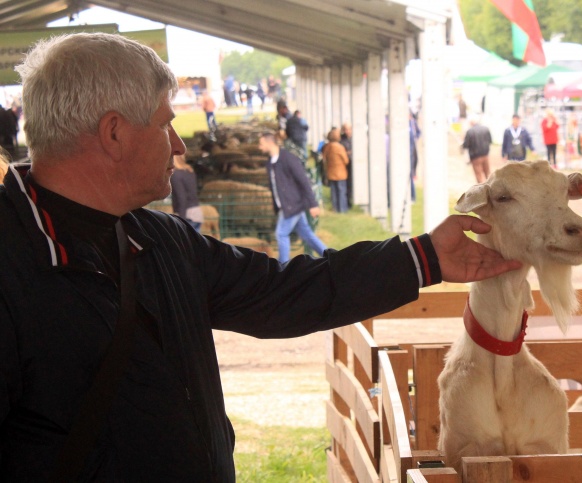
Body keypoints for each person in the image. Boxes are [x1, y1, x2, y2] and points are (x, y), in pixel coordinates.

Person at [0, 32, 521, 482]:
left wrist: (423, 258)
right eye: (164, 125)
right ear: (114, 133)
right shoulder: (12, 264)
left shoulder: (159, 239)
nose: (179, 146)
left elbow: (281, 292)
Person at [258, 131, 327, 263]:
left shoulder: (288, 159)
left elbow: (303, 181)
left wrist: (313, 204)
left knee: (281, 234)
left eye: (261, 143)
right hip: (287, 204)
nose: (259, 147)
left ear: (269, 142)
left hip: (292, 204)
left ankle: (283, 267)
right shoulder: (270, 163)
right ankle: (330, 256)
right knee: (307, 234)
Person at [170, 154, 204, 232]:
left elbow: (181, 197)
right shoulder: (190, 171)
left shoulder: (175, 174)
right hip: (196, 213)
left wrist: (181, 221)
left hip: (187, 215)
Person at [322, 127, 350, 213]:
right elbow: (346, 160)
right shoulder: (340, 147)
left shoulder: (327, 147)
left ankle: (335, 208)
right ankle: (342, 209)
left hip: (331, 172)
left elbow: (324, 159)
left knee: (334, 192)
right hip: (340, 173)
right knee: (341, 191)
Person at [462, 114, 492, 183]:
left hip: (475, 157)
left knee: (479, 176)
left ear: (471, 122)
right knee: (487, 173)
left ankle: (482, 191)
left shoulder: (469, 131)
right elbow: (490, 140)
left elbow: (466, 145)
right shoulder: (486, 129)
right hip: (485, 155)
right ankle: (491, 188)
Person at [340, 123, 353, 205]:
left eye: (348, 129)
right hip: (346, 165)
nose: (347, 131)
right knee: (347, 184)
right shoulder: (342, 141)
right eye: (345, 129)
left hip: (353, 164)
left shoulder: (353, 139)